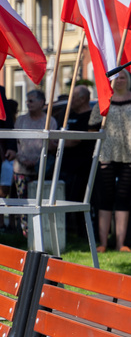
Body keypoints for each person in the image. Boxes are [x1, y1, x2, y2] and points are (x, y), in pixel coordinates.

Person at [88, 70, 131, 252]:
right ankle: (102, 243)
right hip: (107, 153)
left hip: (129, 154)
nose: (119, 81)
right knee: (105, 198)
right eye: (116, 78)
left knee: (123, 198)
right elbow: (91, 127)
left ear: (128, 80)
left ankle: (120, 243)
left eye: (123, 77)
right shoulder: (104, 100)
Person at [12, 90, 58, 235]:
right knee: (23, 201)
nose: (28, 103)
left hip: (42, 167)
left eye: (31, 101)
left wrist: (38, 159)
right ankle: (26, 233)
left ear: (41, 102)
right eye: (27, 100)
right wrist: (20, 157)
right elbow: (15, 142)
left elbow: (53, 144)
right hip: (21, 168)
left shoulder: (49, 121)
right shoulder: (20, 120)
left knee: (41, 201)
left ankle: (41, 232)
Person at [59, 85, 96, 238]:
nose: (70, 101)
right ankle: (64, 232)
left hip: (82, 167)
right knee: (62, 199)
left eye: (73, 97)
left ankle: (82, 233)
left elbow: (76, 139)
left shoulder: (91, 117)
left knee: (79, 200)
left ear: (83, 99)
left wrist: (59, 142)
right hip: (64, 165)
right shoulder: (66, 114)